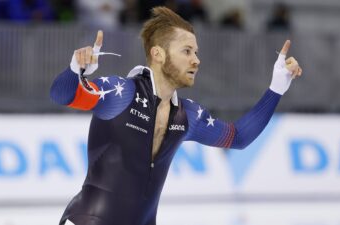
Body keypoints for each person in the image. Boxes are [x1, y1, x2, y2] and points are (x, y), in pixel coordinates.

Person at [50, 6, 302, 225]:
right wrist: (76, 69)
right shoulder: (121, 93)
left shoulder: (187, 116)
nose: (196, 60)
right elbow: (63, 95)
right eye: (187, 51)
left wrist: (276, 88)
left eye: (196, 52)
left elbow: (238, 137)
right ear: (158, 54)